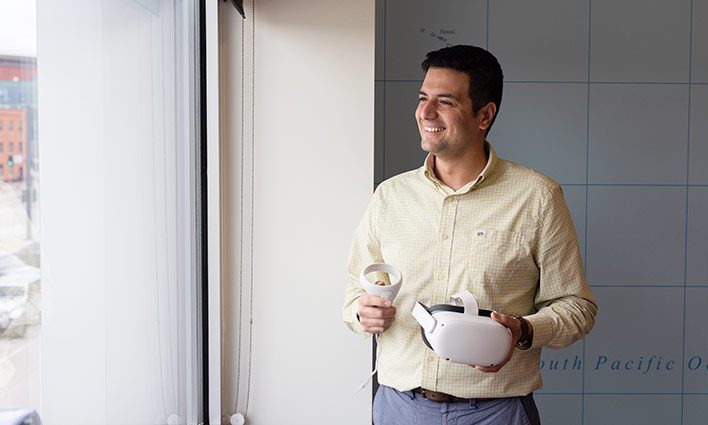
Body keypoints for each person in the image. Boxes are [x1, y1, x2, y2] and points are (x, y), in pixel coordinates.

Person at [343, 45, 597, 425]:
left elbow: (578, 308)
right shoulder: (390, 196)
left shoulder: (538, 198)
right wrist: (361, 313)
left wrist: (524, 329)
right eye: (423, 98)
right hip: (398, 408)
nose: (425, 113)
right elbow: (353, 293)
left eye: (444, 101)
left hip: (496, 412)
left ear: (484, 114)